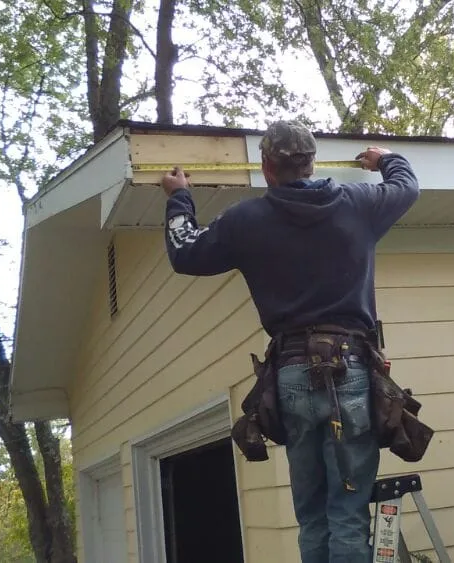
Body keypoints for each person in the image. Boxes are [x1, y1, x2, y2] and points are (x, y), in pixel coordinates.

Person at [159, 120, 420, 563]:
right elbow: (407, 187)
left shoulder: (245, 221)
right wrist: (387, 160)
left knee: (312, 516)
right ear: (312, 163)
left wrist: (179, 196)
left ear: (266, 166)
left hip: (291, 373)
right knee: (347, 514)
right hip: (351, 370)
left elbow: (185, 252)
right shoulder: (358, 204)